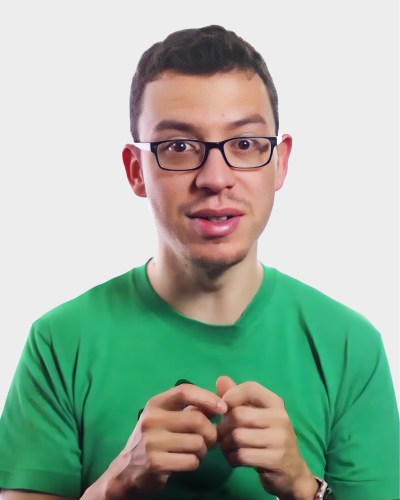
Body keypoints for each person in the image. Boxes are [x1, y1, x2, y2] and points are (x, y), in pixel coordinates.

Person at [0, 25, 398, 500]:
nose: (215, 178)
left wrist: (302, 486)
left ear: (281, 163)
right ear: (136, 170)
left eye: (245, 144)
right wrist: (117, 485)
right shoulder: (60, 343)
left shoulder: (350, 345)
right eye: (179, 147)